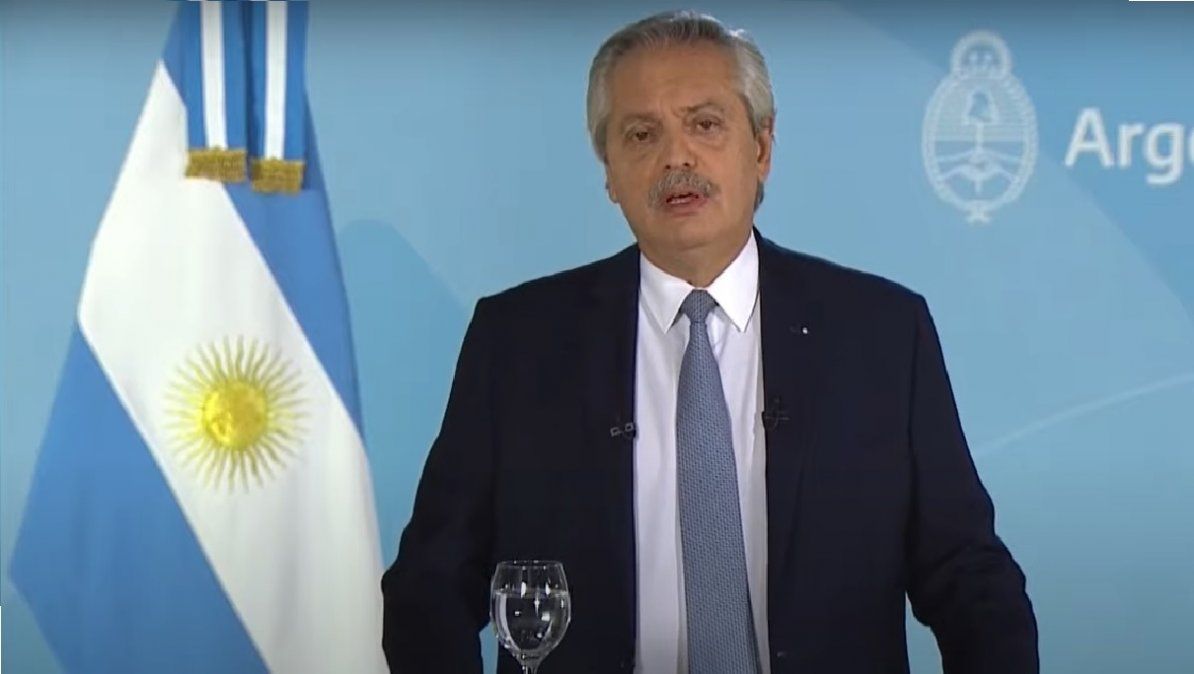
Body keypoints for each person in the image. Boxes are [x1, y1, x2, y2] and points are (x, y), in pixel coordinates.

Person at [382, 10, 1038, 674]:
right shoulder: (519, 343)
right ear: (609, 171)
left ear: (762, 148)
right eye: (642, 134)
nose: (676, 157)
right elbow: (429, 585)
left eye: (704, 124)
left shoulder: (882, 334)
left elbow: (969, 575)